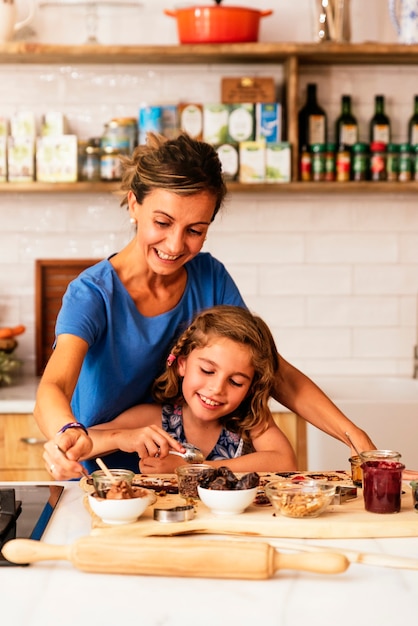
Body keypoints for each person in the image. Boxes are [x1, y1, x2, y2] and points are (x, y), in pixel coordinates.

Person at [35, 131, 375, 480]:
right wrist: (66, 432)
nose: (175, 244)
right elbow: (54, 387)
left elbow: (276, 372)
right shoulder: (92, 294)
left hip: (179, 481)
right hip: (100, 477)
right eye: (162, 223)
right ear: (134, 204)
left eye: (195, 230)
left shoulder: (209, 277)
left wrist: (354, 437)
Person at [88, 305, 298, 473]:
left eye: (235, 382)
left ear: (251, 388)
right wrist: (119, 437)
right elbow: (82, 444)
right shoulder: (156, 419)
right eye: (207, 370)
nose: (217, 389)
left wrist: (190, 469)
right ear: (182, 364)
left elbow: (285, 462)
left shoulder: (249, 419)